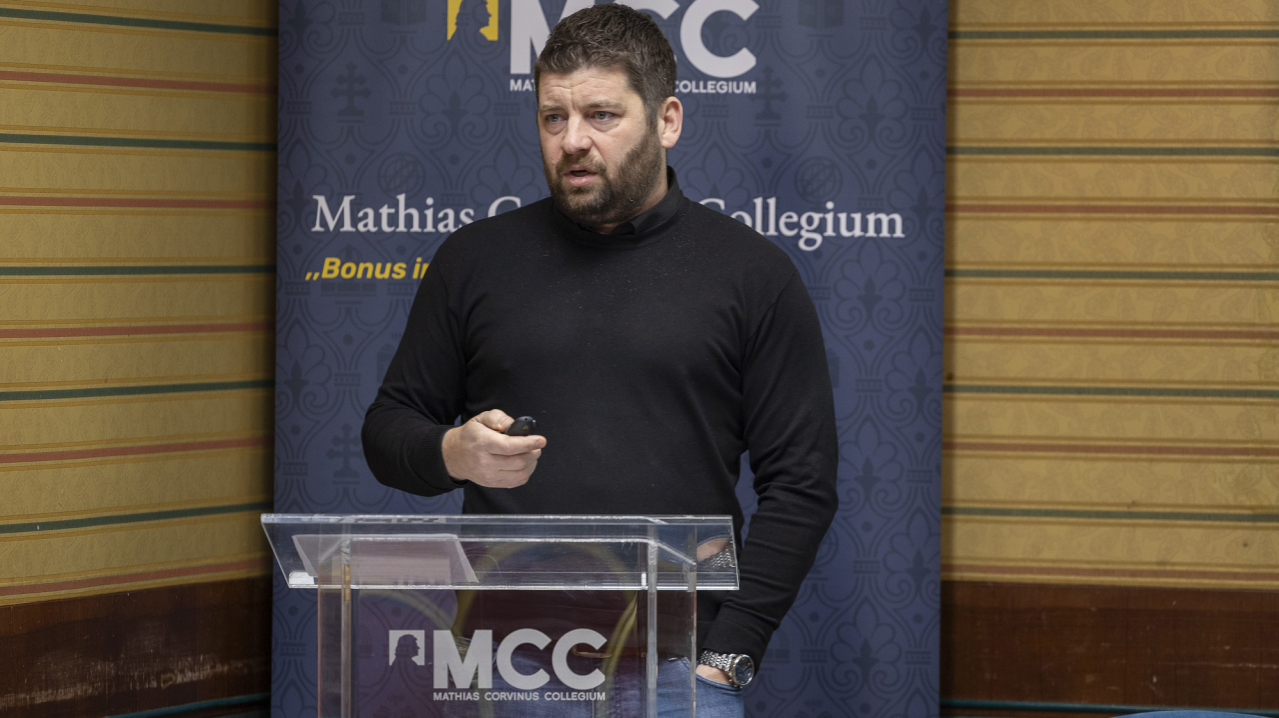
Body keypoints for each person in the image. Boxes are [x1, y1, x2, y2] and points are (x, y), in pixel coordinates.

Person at [362, 5, 838, 716]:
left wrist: (727, 656)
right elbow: (387, 429)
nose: (572, 140)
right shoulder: (475, 260)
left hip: (678, 674)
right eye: (553, 118)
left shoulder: (752, 275)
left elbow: (801, 485)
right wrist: (451, 452)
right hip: (502, 664)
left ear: (667, 120)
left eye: (601, 116)